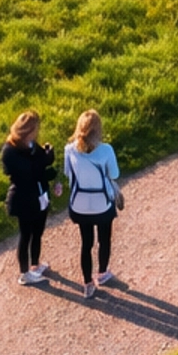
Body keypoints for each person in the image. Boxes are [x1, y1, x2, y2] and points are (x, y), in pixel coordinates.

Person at [64, 109, 122, 299]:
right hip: (102, 203)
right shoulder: (106, 150)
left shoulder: (69, 150)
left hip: (79, 204)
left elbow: (68, 174)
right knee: (104, 239)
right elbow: (114, 175)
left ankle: (87, 283)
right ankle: (103, 273)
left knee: (86, 243)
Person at [0, 109, 60, 285]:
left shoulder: (32, 145)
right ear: (27, 130)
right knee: (26, 235)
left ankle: (35, 265)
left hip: (39, 196)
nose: (37, 132)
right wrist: (44, 165)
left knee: (38, 233)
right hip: (24, 199)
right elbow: (27, 172)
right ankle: (24, 274)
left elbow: (39, 164)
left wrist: (48, 157)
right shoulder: (10, 151)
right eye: (35, 129)